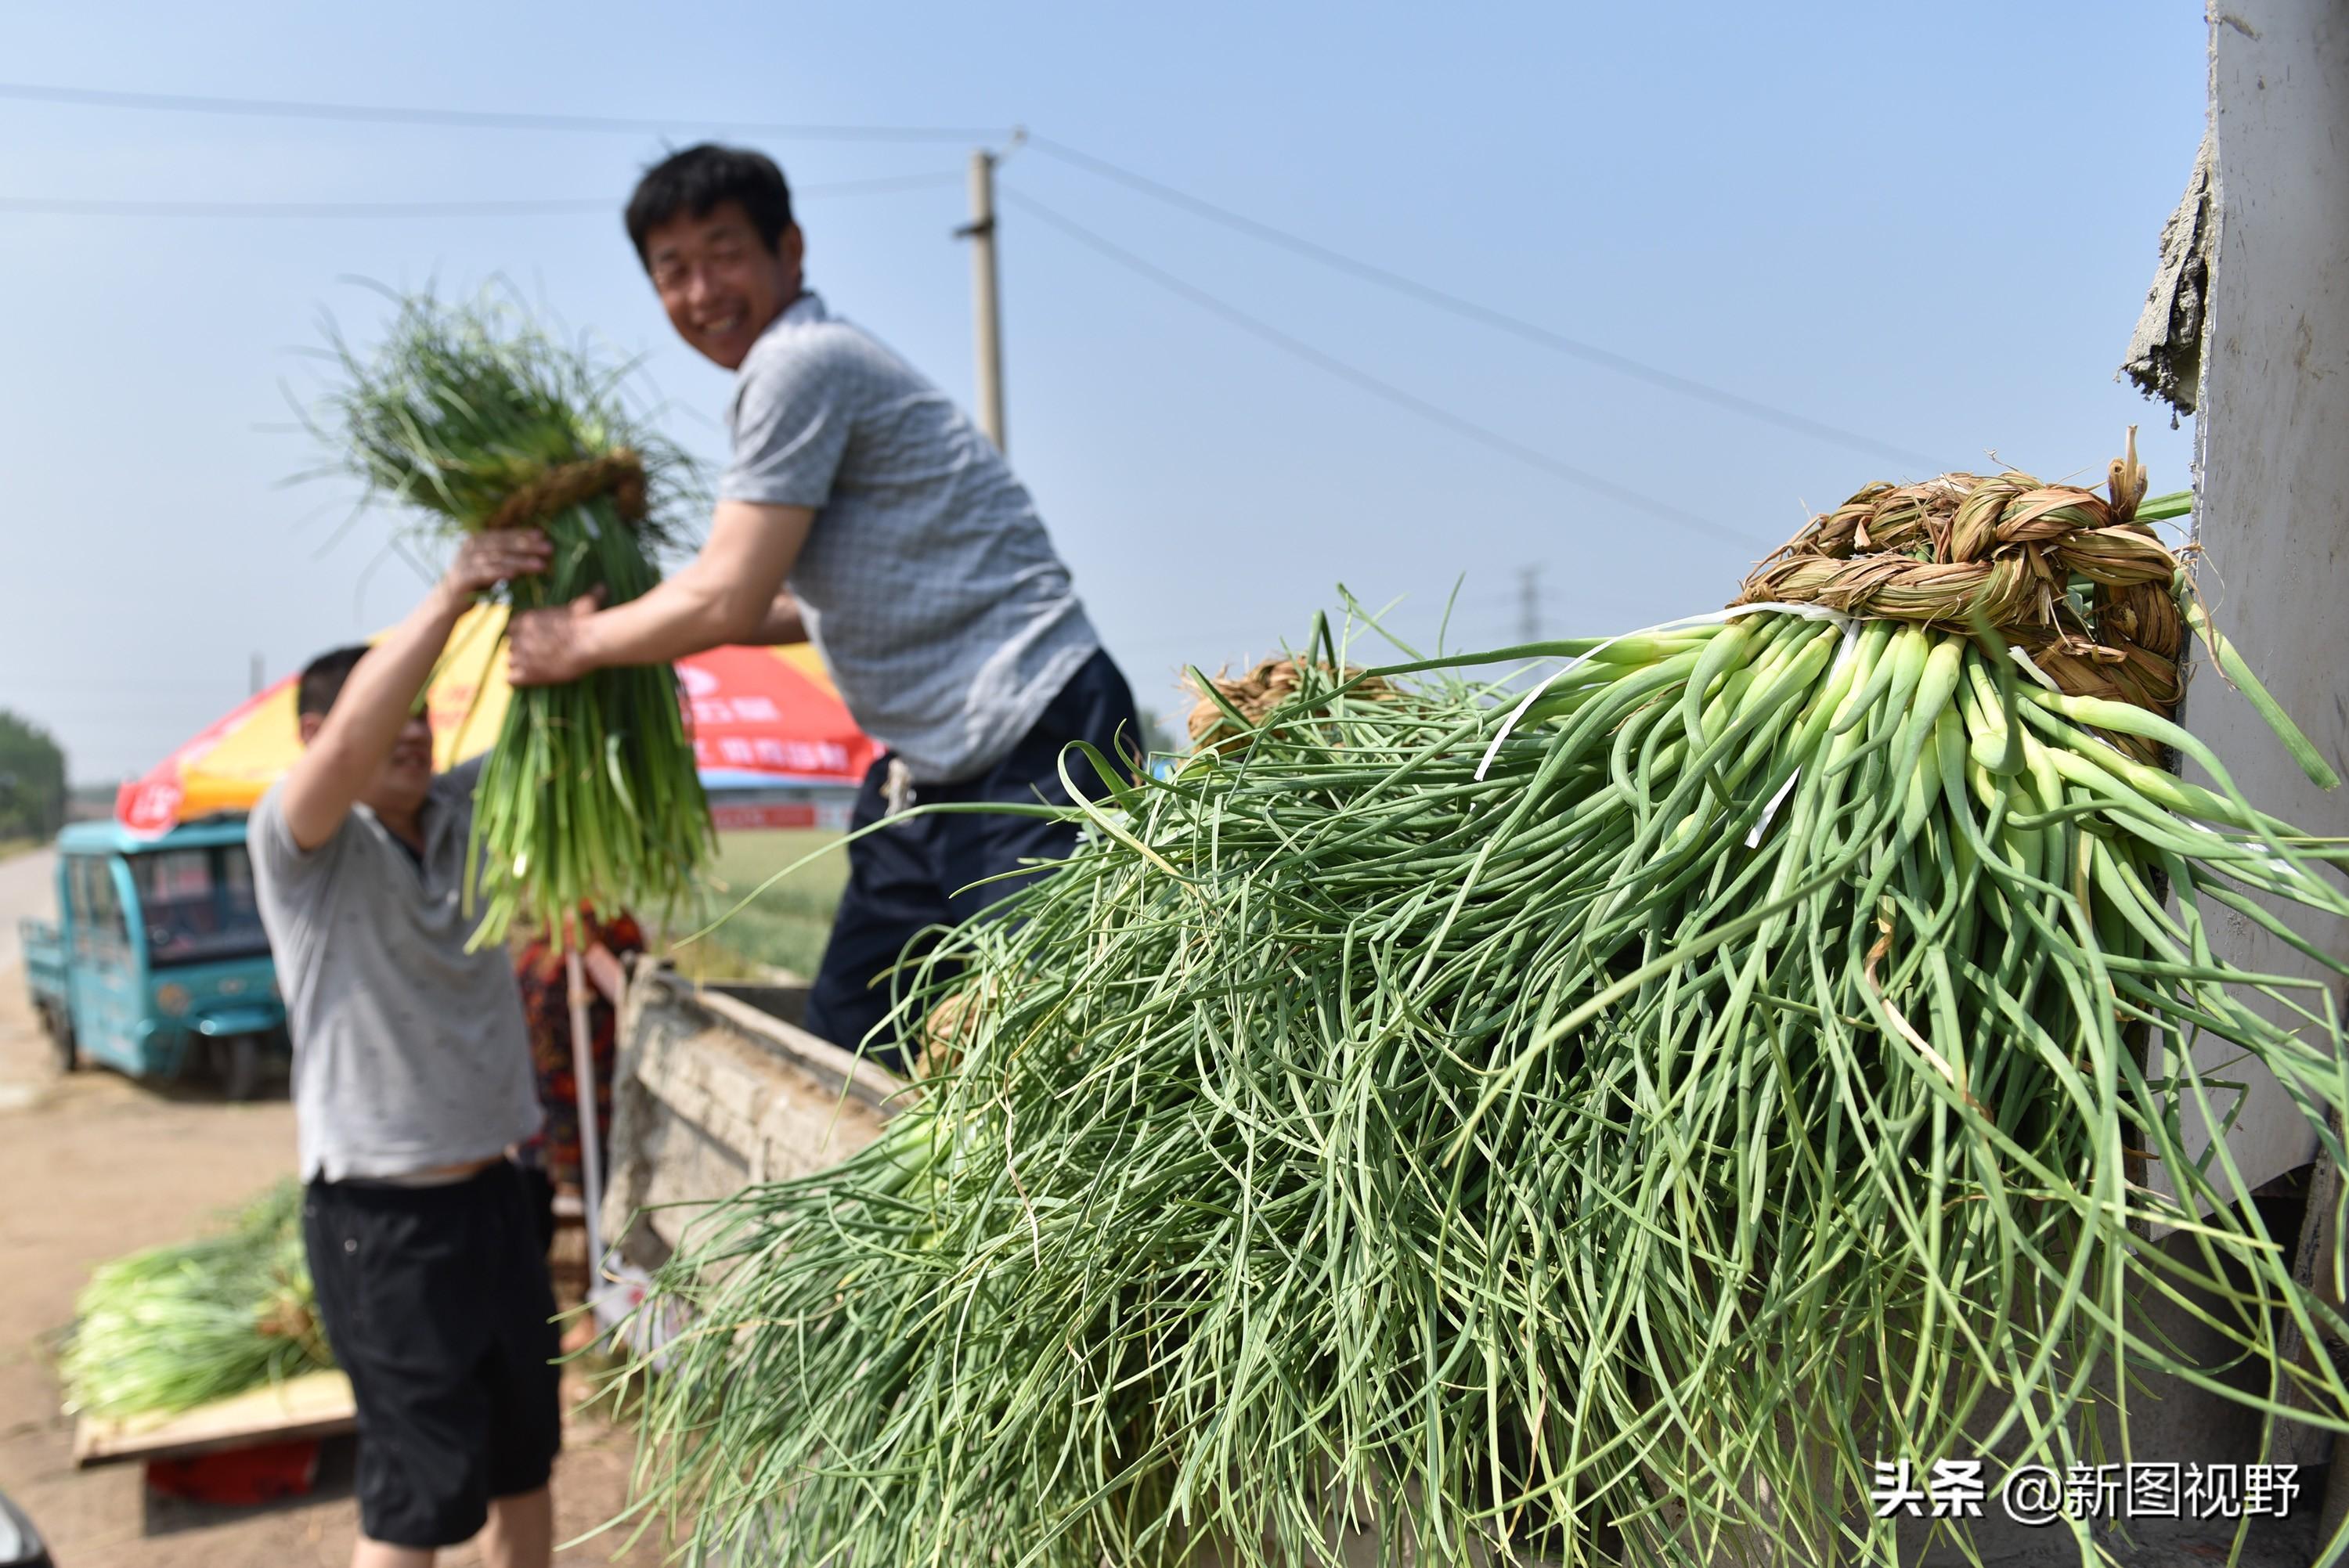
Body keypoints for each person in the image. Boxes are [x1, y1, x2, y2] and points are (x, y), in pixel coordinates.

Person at [506, 143, 1141, 1070]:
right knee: (850, 1046)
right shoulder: (801, 370)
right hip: (929, 774)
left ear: (789, 251)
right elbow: (786, 602)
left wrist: (578, 641)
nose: (700, 290)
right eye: (672, 271)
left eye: (724, 253)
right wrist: (638, 612)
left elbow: (727, 594)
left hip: (1034, 736)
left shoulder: (801, 362)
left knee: (1052, 1058)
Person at [247, 529, 562, 1568]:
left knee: (525, 1456)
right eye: (393, 717)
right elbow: (345, 754)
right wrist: (450, 596)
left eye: (423, 719)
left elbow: (559, 722)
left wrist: (570, 610)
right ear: (315, 731)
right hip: (385, 1218)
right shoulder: (303, 845)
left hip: (501, 1197)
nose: (415, 737)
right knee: (418, 1492)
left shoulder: (467, 808)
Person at [512, 907, 644, 1257]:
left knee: (604, 1209)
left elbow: (633, 999)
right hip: (542, 1106)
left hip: (594, 1104)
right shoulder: (547, 924)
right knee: (529, 1208)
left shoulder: (617, 929)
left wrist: (591, 952)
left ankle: (602, 1293)